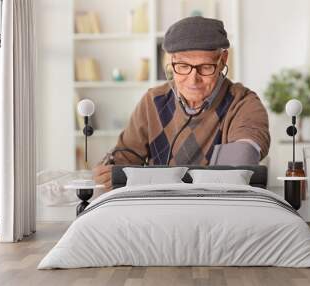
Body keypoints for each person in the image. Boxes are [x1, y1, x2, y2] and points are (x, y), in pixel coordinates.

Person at [94, 16, 270, 191]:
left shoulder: (244, 103)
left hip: (215, 209)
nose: (193, 80)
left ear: (223, 60)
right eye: (183, 66)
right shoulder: (153, 101)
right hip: (157, 208)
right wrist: (110, 172)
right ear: (171, 61)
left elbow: (234, 174)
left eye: (205, 67)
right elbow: (123, 161)